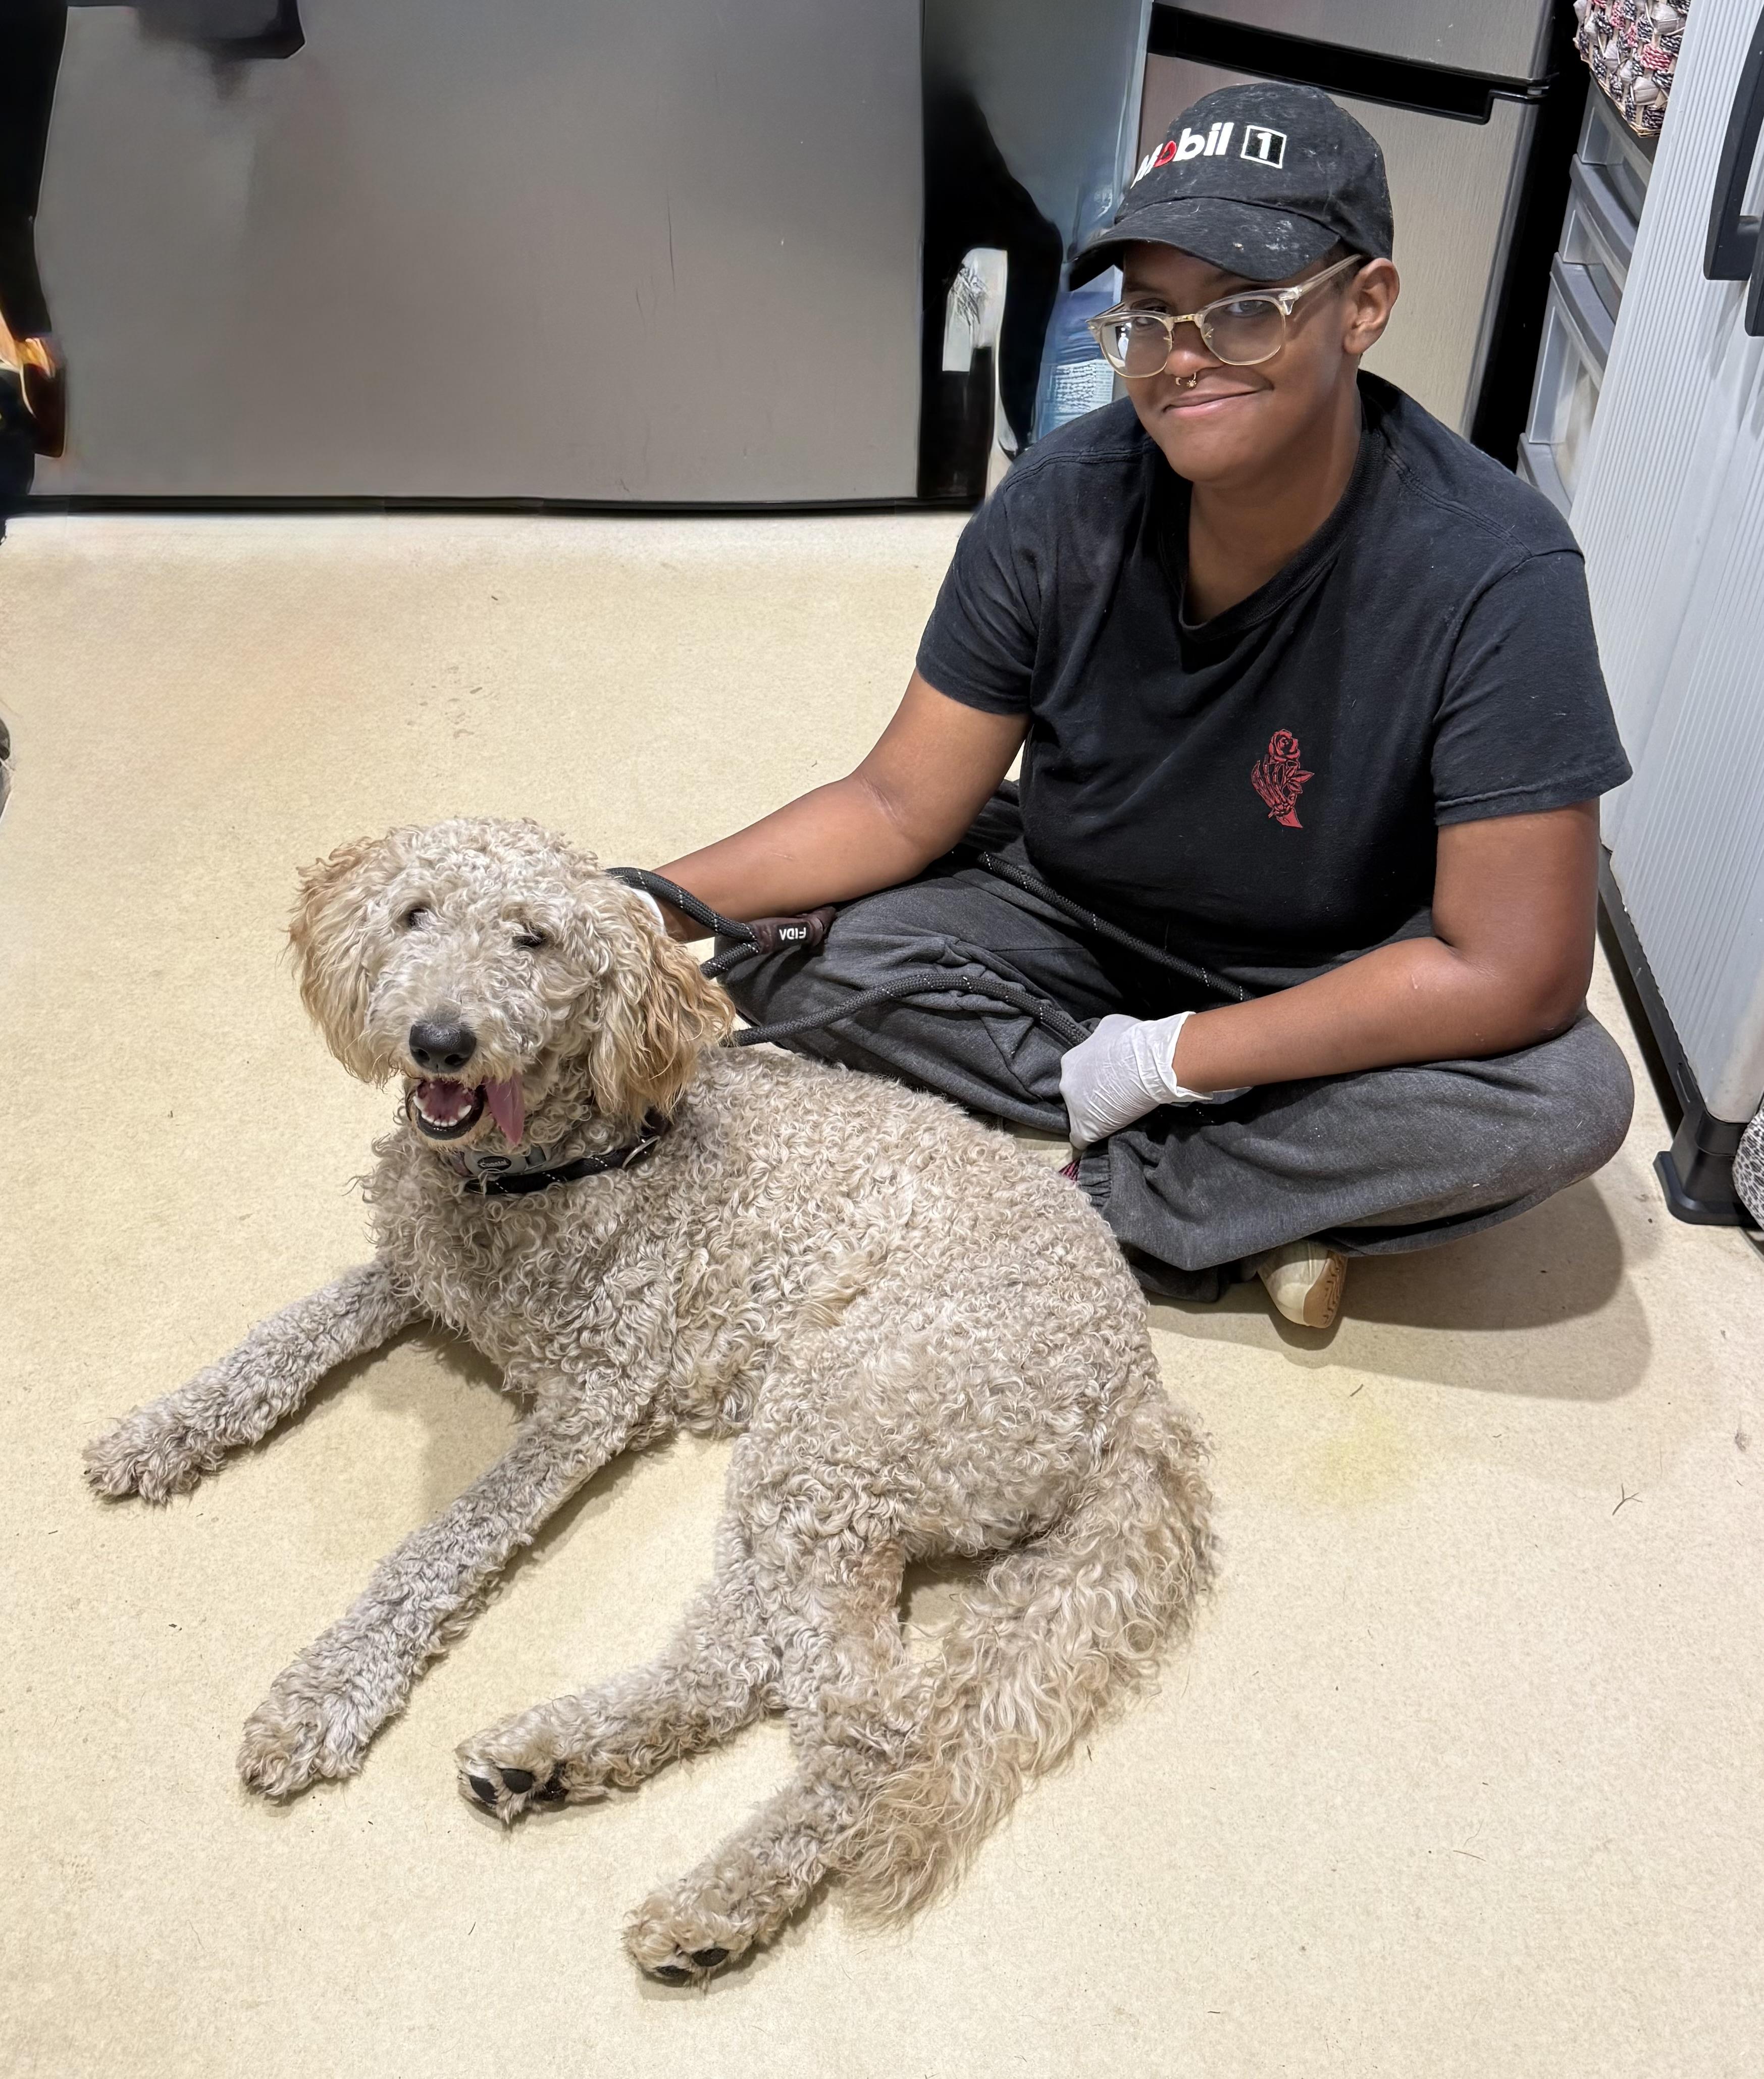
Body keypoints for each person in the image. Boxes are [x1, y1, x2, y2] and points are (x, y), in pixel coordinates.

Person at [643, 82, 1635, 1330]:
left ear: (1363, 308)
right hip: (1078, 913)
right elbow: (900, 798)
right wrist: (637, 909)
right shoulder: (1066, 495)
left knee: (1562, 1098)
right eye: (1152, 318)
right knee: (779, 947)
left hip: (1334, 967)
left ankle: (1126, 1179)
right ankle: (1273, 1197)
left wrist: (1172, 1059)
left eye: (1245, 313)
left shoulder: (1493, 568)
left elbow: (1518, 968)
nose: (1182, 362)